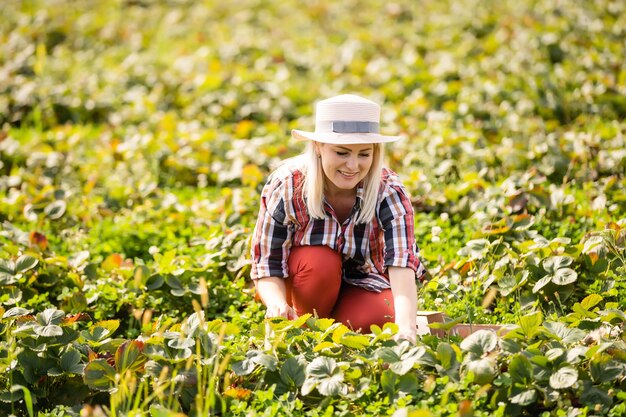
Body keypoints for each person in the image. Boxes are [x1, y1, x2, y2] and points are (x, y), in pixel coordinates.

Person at [250, 94, 425, 343]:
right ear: (319, 147)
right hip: (306, 283)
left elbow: (401, 262)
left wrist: (406, 327)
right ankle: (303, 327)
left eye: (364, 154)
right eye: (342, 153)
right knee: (319, 262)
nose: (352, 165)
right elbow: (266, 262)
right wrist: (277, 304)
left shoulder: (388, 190)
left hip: (361, 283)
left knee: (382, 316)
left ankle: (327, 334)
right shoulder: (288, 185)